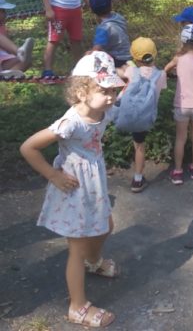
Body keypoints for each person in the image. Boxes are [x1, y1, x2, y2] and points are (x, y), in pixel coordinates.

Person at [20, 51, 125, 328]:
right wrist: (53, 175)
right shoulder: (71, 123)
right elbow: (28, 147)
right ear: (81, 92)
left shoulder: (104, 109)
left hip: (94, 181)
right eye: (105, 90)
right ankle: (77, 306)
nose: (112, 96)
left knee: (105, 225)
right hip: (74, 186)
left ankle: (94, 261)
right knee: (76, 246)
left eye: (114, 89)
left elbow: (122, 88)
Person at [121, 37, 167, 193]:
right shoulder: (161, 75)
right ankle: (138, 179)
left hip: (128, 113)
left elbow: (122, 73)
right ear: (155, 54)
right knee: (140, 145)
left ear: (134, 57)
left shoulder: (130, 70)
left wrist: (129, 65)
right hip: (147, 115)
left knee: (137, 145)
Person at [165, 24, 193, 185]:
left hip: (182, 104)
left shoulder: (178, 58)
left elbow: (165, 69)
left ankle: (177, 171)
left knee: (180, 138)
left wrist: (172, 73)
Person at [89, 0, 131, 70]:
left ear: (91, 10)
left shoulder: (103, 28)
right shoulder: (118, 17)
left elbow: (96, 50)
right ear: (111, 4)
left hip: (117, 61)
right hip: (128, 56)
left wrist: (89, 54)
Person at [0, 0, 34, 76]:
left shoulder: (2, 27)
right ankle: (20, 51)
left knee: (26, 61)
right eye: (2, 11)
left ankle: (7, 76)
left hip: (3, 60)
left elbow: (7, 49)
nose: (5, 14)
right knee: (21, 56)